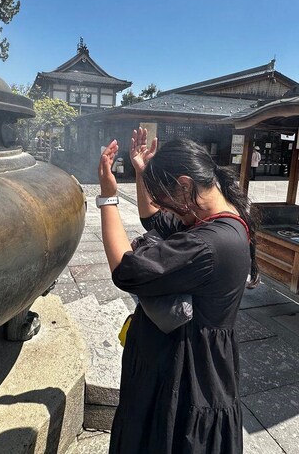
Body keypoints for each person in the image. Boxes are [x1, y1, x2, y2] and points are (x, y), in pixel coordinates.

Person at [96, 128, 258, 453]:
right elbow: (153, 221)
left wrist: (108, 199)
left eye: (164, 197)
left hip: (189, 371)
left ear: (185, 185)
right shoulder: (221, 217)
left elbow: (126, 271)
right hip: (200, 357)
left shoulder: (208, 243)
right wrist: (143, 171)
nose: (161, 206)